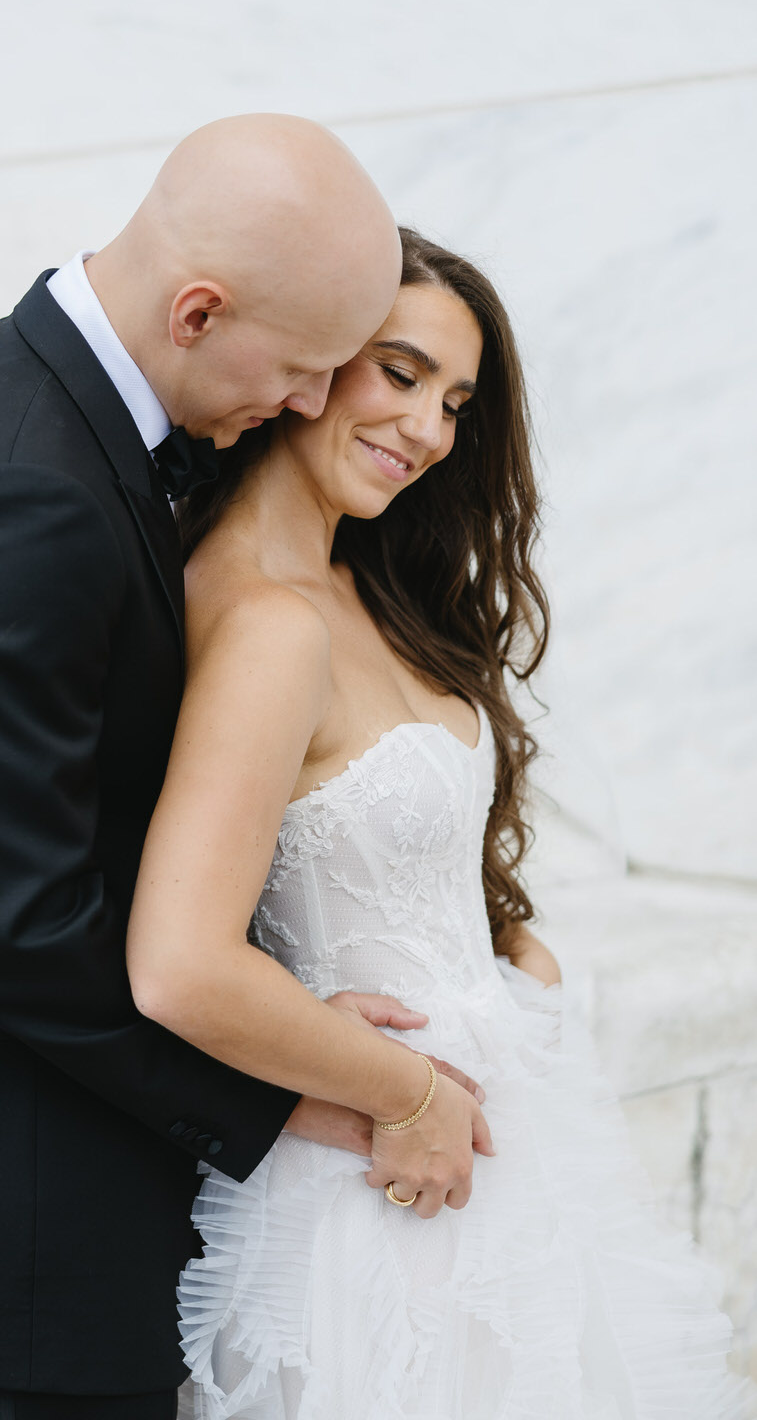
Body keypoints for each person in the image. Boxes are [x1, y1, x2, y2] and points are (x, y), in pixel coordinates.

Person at [0, 115, 490, 1420]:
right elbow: (12, 930)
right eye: (301, 368)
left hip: (79, 1190)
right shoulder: (11, 494)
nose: (306, 404)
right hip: (19, 1227)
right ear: (196, 309)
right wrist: (306, 1084)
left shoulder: (68, 421)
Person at [127, 227, 751, 1417]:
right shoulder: (261, 621)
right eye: (399, 374)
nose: (427, 429)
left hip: (490, 1138)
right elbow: (184, 960)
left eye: (455, 401)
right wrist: (407, 1092)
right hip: (378, 1180)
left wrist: (499, 949)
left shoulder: (361, 582)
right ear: (309, 364)